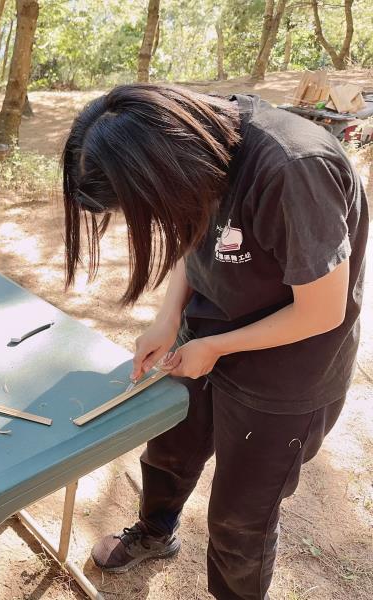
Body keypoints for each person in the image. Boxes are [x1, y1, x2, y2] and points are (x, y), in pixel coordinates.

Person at [61, 84, 367, 599]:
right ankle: (156, 532)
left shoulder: (293, 169)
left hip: (289, 365)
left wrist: (218, 348)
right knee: (168, 451)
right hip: (206, 330)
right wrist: (168, 316)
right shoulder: (188, 142)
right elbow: (190, 230)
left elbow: (322, 310)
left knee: (239, 518)